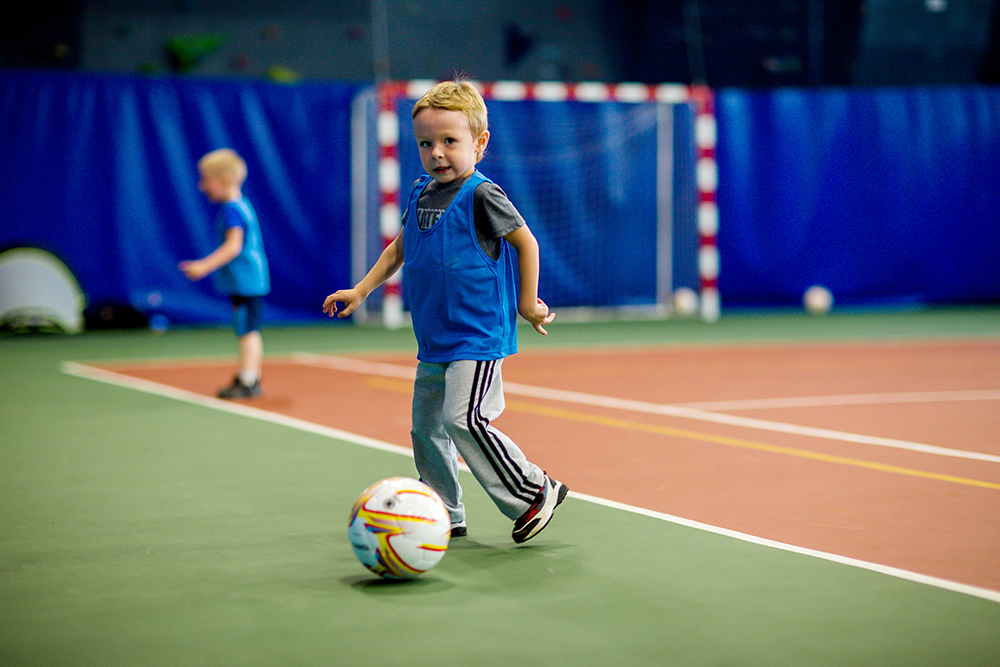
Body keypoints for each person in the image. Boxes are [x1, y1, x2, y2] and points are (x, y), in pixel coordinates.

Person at [323, 80, 568, 544]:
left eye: (450, 142)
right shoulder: (419, 192)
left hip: (477, 336)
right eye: (426, 143)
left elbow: (526, 242)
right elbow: (400, 249)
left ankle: (535, 489)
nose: (437, 153)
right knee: (426, 428)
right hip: (435, 337)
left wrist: (527, 304)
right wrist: (361, 290)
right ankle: (442, 511)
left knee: (463, 418)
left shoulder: (482, 195)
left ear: (480, 143)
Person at [180, 148, 270, 399]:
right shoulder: (241, 205)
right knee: (247, 327)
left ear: (226, 180)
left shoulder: (233, 209)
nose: (202, 186)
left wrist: (204, 266)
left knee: (247, 329)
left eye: (206, 179)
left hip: (246, 281)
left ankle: (250, 379)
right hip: (247, 280)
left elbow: (234, 246)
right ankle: (249, 375)